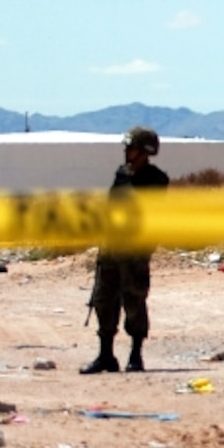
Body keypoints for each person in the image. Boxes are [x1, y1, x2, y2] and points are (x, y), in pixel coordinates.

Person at [85, 125, 172, 374]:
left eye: (131, 147)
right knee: (104, 300)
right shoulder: (121, 175)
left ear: (145, 151)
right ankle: (105, 355)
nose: (127, 151)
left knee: (134, 300)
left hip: (134, 250)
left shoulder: (156, 180)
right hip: (111, 247)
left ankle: (135, 355)